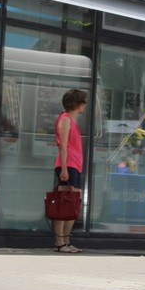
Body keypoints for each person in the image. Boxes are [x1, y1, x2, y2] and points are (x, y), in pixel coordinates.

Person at [53, 88, 87, 253]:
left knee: (73, 205)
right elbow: (63, 146)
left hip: (74, 165)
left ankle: (66, 240)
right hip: (67, 165)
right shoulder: (65, 120)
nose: (85, 105)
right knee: (64, 204)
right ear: (77, 104)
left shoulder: (71, 120)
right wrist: (64, 169)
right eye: (83, 102)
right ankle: (60, 242)